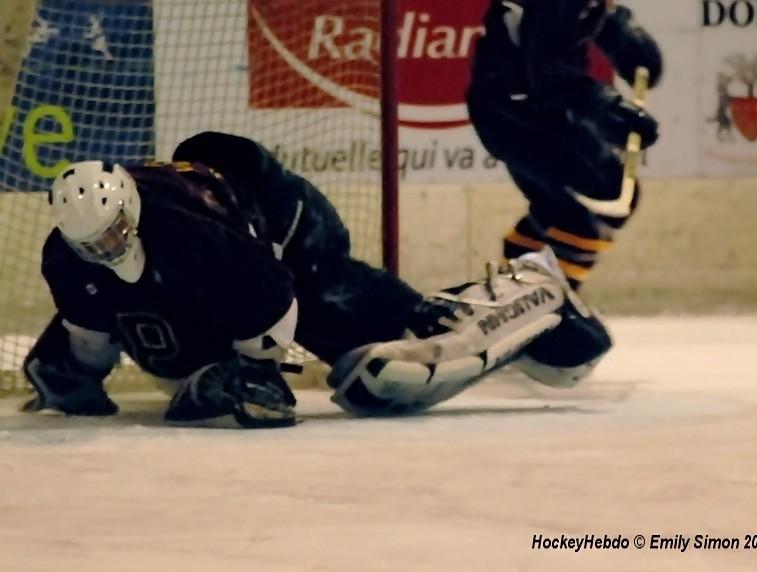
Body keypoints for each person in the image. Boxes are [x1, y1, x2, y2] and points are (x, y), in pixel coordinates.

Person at [23, 132, 611, 429]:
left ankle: (534, 292)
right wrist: (77, 376)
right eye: (92, 244)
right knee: (182, 350)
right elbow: (88, 324)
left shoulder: (192, 235)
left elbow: (275, 293)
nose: (107, 248)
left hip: (286, 222)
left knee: (328, 301)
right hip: (235, 236)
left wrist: (259, 367)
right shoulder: (68, 258)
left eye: (113, 234)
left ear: (129, 210)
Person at [467, 0, 663, 290]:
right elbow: (544, 70)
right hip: (518, 115)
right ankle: (545, 309)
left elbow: (567, 28)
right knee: (605, 200)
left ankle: (516, 296)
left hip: (512, 110)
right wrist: (606, 108)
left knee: (562, 211)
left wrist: (620, 33)